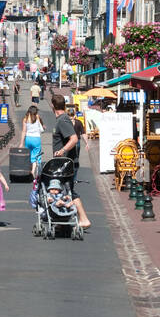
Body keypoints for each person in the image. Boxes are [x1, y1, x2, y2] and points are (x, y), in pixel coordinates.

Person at [48, 94, 91, 229]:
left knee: (66, 190)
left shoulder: (63, 120)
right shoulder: (62, 119)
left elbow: (74, 139)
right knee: (66, 190)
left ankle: (83, 219)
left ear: (53, 106)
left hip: (65, 163)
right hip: (63, 163)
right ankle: (66, 219)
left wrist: (62, 151)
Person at [21, 105, 44, 178]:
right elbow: (42, 126)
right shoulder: (37, 117)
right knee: (36, 155)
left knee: (29, 154)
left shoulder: (25, 119)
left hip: (28, 138)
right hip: (36, 139)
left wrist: (21, 143)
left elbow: (24, 131)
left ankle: (29, 169)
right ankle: (33, 171)